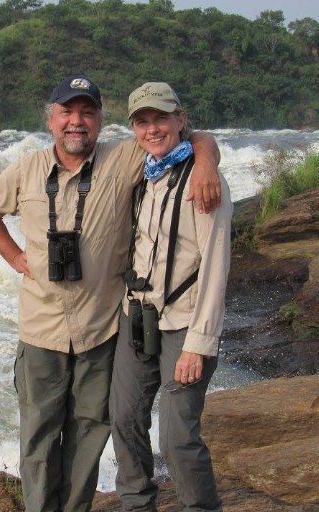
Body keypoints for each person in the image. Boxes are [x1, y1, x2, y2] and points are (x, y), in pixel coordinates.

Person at [0, 74, 221, 512]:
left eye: (87, 112)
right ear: (50, 120)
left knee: (91, 432)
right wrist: (15, 257)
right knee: (39, 433)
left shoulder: (123, 158)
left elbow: (189, 135)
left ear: (101, 121)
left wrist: (205, 162)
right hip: (41, 329)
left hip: (103, 330)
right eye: (67, 112)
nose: (77, 122)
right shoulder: (26, 169)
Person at [109, 82, 233, 512]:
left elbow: (216, 267)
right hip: (138, 318)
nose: (153, 128)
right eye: (142, 121)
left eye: (161, 118)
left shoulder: (205, 184)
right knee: (124, 418)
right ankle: (137, 504)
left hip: (185, 323)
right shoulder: (142, 175)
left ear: (181, 120)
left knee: (177, 437)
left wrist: (199, 345)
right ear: (133, 129)